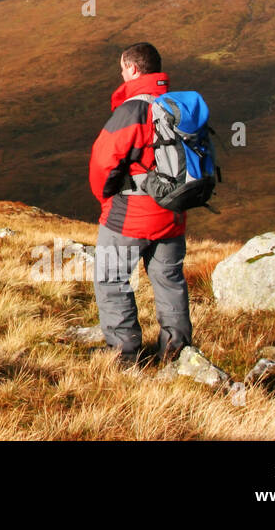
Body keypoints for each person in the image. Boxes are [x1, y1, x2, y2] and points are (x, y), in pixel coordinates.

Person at [88, 42, 192, 368]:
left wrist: (106, 197)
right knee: (169, 279)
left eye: (122, 68)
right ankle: (176, 352)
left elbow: (103, 161)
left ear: (133, 69)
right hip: (173, 209)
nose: (121, 74)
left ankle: (125, 353)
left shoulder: (133, 110)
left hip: (132, 213)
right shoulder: (176, 106)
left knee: (111, 277)